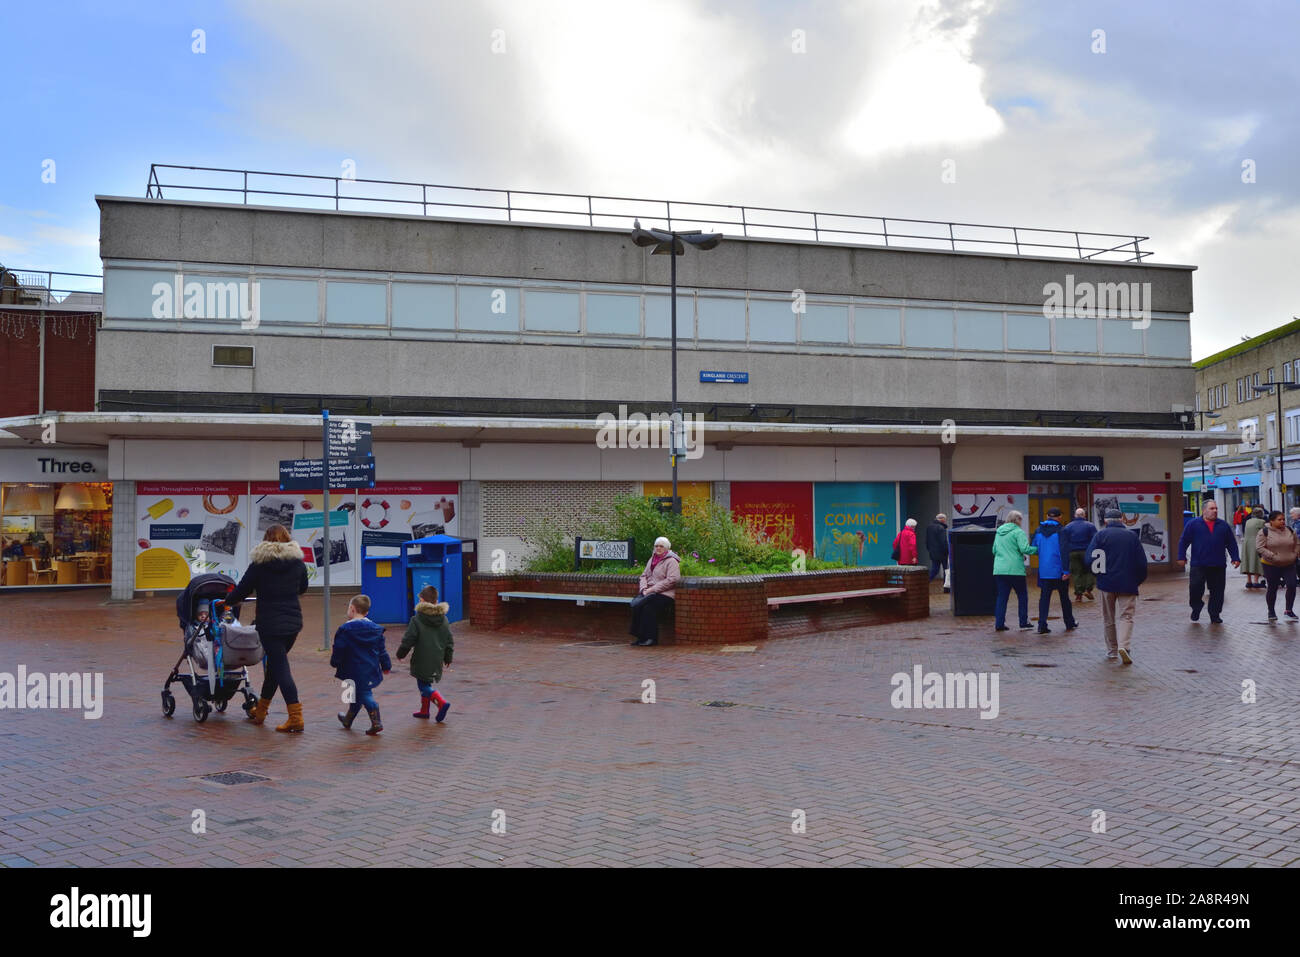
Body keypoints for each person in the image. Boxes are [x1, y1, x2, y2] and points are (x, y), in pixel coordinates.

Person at [229, 524, 310, 732]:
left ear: (266, 539)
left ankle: (295, 717)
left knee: (280, 667)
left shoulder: (260, 564)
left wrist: (227, 602)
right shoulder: (298, 564)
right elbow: (302, 588)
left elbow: (242, 590)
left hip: (269, 624)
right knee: (275, 666)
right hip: (292, 624)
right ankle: (261, 711)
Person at [1087, 508, 1148, 665]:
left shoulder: (1100, 535)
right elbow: (1142, 563)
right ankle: (1124, 646)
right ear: (1121, 519)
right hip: (1128, 582)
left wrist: (1098, 576)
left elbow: (1089, 559)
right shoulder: (1132, 536)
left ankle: (1112, 650)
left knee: (1108, 618)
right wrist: (1138, 580)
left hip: (1106, 582)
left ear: (1106, 521)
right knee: (1126, 616)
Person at [331, 594, 392, 734]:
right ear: (367, 612)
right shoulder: (375, 630)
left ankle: (376, 721)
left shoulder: (345, 630)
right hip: (370, 668)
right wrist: (386, 665)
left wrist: (335, 662)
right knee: (356, 693)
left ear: (352, 609)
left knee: (364, 693)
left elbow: (339, 648)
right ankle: (348, 719)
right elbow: (381, 650)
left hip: (352, 668)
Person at [1176, 499, 1241, 624]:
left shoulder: (1223, 525)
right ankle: (1196, 607)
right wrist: (1181, 556)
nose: (1215, 511)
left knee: (1217, 591)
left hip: (1218, 564)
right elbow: (1183, 541)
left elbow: (1231, 543)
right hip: (1198, 564)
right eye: (1212, 509)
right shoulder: (1193, 524)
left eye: (1216, 508)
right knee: (1195, 588)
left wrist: (1235, 558)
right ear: (1204, 510)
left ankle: (1214, 614)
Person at [396, 585, 455, 722]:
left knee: (423, 686)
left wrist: (401, 654)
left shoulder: (417, 620)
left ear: (422, 600)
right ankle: (424, 711)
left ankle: (441, 702)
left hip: (422, 658)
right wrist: (448, 657)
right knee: (426, 683)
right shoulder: (444, 620)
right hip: (437, 658)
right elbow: (449, 641)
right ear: (436, 600)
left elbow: (408, 640)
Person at [1031, 507, 1077, 634]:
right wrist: (1066, 571)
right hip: (1059, 571)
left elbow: (1034, 548)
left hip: (1044, 571)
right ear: (1059, 517)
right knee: (1064, 598)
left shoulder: (1038, 530)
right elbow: (1064, 552)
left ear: (1047, 517)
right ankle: (1069, 622)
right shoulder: (1062, 531)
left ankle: (1042, 625)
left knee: (1044, 599)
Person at [629, 536, 681, 647]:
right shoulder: (651, 560)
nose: (658, 548)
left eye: (661, 546)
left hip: (665, 594)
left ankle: (651, 638)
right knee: (638, 606)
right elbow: (643, 576)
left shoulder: (672, 561)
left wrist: (652, 589)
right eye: (656, 546)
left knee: (649, 608)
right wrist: (643, 589)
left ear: (666, 548)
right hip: (649, 592)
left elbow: (672, 579)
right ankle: (640, 637)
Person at [992, 510, 1037, 632]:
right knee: (1022, 596)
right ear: (1017, 520)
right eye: (1021, 519)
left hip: (999, 570)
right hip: (1015, 570)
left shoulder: (999, 532)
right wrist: (1038, 549)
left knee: (1002, 597)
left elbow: (994, 550)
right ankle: (1023, 622)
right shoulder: (1018, 532)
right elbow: (1025, 548)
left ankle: (999, 623)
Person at [1255, 511, 1299, 621]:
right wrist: (1272, 556)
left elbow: (1297, 543)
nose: (1283, 521)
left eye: (1283, 519)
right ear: (1272, 521)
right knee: (1272, 587)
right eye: (1279, 520)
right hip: (1271, 564)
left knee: (1292, 585)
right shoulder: (1264, 532)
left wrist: (1295, 554)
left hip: (1289, 563)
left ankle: (1288, 610)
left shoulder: (1289, 530)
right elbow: (1260, 547)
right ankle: (1271, 611)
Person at [1063, 507, 1099, 601]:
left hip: (1073, 552)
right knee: (1090, 570)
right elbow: (1095, 539)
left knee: (1077, 573)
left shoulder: (1068, 526)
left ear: (1075, 515)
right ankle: (1088, 589)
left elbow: (1064, 541)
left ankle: (1078, 595)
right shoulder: (1090, 526)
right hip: (1087, 551)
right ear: (1084, 515)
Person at [1242, 506, 1267, 588]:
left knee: (1248, 561)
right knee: (1256, 561)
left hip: (1246, 542)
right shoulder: (1261, 522)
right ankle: (1256, 581)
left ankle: (1248, 581)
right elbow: (1265, 533)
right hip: (1256, 542)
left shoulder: (1248, 521)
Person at [925, 514, 949, 589]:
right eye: (945, 519)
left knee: (934, 570)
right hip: (942, 553)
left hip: (933, 553)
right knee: (946, 571)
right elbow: (943, 542)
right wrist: (947, 551)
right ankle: (946, 588)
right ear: (941, 519)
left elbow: (926, 541)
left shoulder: (929, 527)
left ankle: (924, 583)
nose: (945, 521)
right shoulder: (941, 528)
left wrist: (930, 550)